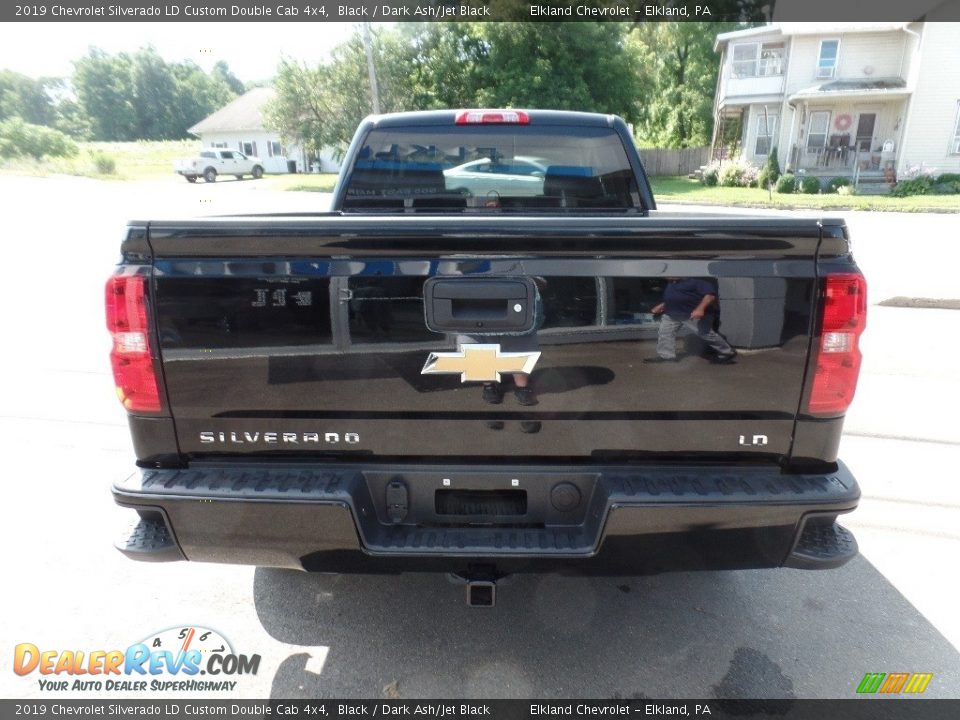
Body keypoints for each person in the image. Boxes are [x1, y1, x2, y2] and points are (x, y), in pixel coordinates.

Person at [645, 278, 737, 364]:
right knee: (665, 333)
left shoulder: (696, 281)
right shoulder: (672, 283)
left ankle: (727, 352)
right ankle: (666, 356)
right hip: (672, 313)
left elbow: (710, 296)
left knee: (705, 334)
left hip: (691, 314)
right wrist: (662, 305)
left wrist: (700, 309)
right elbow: (675, 298)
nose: (666, 276)